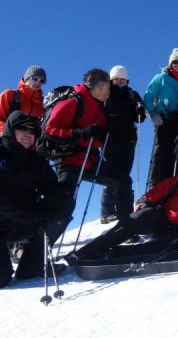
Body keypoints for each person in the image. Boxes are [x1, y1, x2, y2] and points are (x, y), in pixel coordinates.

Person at [65, 157, 178, 262]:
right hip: (163, 215)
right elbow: (161, 189)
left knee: (165, 248)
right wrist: (145, 200)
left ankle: (112, 255)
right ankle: (85, 252)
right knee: (136, 219)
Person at [0, 112, 71, 289]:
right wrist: (26, 215)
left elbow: (53, 189)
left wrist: (52, 205)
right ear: (10, 130)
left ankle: (31, 267)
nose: (28, 135)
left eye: (32, 132)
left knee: (64, 206)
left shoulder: (36, 160)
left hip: (17, 224)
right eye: (22, 129)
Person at [45, 69, 134, 225]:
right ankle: (40, 245)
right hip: (68, 161)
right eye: (107, 88)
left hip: (90, 160)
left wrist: (105, 132)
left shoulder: (99, 107)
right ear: (98, 87)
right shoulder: (72, 103)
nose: (109, 92)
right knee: (63, 206)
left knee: (123, 181)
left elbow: (98, 136)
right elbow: (50, 132)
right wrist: (80, 133)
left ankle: (127, 227)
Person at [100, 65, 146, 224]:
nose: (119, 82)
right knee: (111, 175)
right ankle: (107, 212)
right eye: (116, 79)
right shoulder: (106, 93)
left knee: (124, 176)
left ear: (127, 80)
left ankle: (122, 212)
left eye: (122, 79)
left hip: (128, 140)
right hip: (110, 139)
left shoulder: (132, 94)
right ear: (111, 80)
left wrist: (140, 111)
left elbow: (141, 116)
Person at [143, 48, 178, 189]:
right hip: (163, 120)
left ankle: (173, 184)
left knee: (177, 153)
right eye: (175, 62)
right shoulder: (161, 78)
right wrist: (153, 113)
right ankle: (155, 185)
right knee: (161, 152)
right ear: (170, 63)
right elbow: (148, 97)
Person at [0, 65, 47, 137]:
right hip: (8, 141)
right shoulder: (9, 95)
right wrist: (7, 131)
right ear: (26, 79)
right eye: (35, 79)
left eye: (42, 81)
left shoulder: (44, 103)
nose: (38, 83)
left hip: (30, 144)